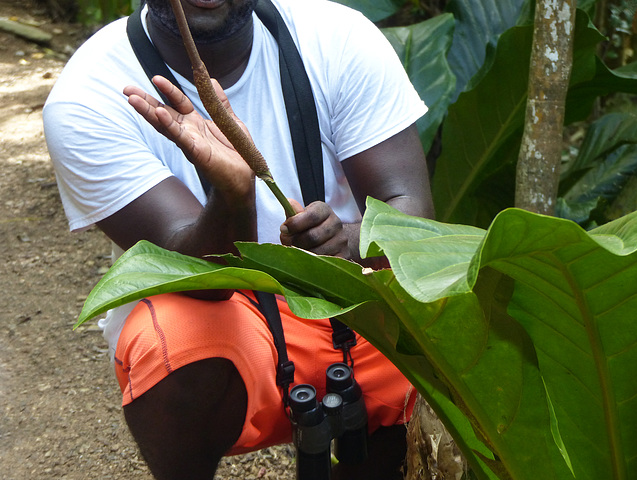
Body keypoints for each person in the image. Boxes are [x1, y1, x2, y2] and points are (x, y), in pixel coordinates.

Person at [43, 0, 434, 478]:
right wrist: (234, 195)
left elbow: (410, 213)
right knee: (170, 340)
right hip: (227, 315)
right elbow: (198, 279)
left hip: (353, 301)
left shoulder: (338, 37)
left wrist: (348, 243)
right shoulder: (90, 94)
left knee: (447, 335)